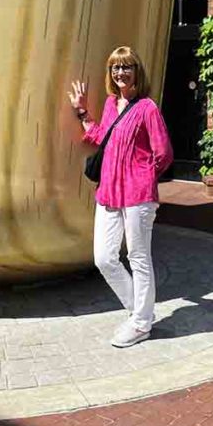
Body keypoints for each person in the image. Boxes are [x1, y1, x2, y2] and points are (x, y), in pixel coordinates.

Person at [68, 46, 173, 347]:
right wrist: (82, 112)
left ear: (136, 72)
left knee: (138, 257)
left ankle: (140, 323)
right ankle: (140, 312)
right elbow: (103, 137)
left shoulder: (147, 108)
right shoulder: (112, 105)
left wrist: (142, 176)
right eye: (115, 68)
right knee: (104, 258)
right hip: (109, 192)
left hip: (138, 195)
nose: (120, 73)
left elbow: (163, 152)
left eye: (126, 67)